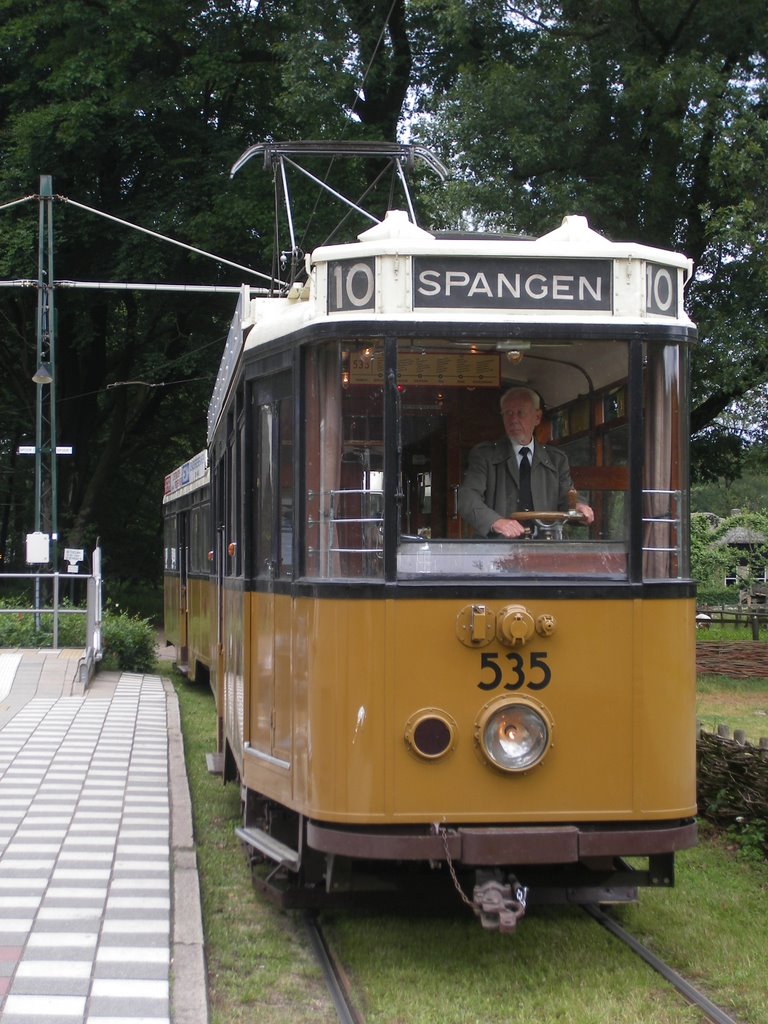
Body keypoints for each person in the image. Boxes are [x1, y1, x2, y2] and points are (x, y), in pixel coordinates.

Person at [457, 386, 595, 539]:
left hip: (544, 550)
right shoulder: (484, 455)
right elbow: (467, 498)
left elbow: (566, 497)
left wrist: (579, 507)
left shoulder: (557, 459)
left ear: (537, 417)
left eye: (520, 413)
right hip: (498, 552)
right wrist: (495, 521)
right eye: (508, 413)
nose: (513, 419)